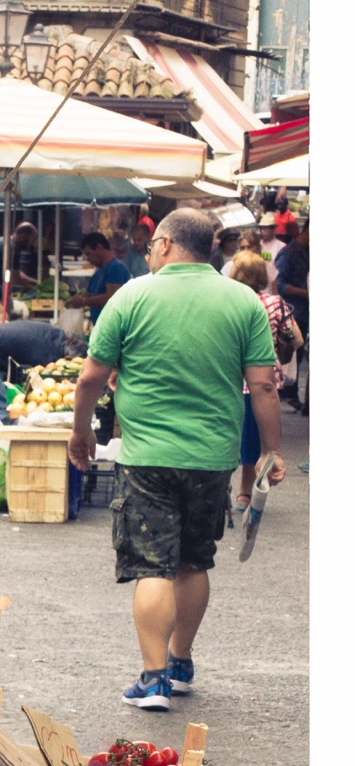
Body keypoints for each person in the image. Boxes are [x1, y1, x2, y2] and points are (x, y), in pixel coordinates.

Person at [68, 209, 281, 710]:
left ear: (163, 244)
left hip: (147, 457)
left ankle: (154, 678)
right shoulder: (243, 301)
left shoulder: (133, 295)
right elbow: (264, 384)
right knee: (193, 561)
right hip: (212, 458)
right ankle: (181, 662)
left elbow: (90, 379)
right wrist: (272, 451)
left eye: (149, 247)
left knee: (152, 567)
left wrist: (81, 433)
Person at [225, 251, 303, 510]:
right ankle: (247, 490)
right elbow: (298, 340)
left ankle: (234, 491)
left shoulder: (228, 301)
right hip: (267, 376)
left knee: (231, 436)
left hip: (230, 378)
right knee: (254, 437)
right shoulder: (275, 303)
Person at [271, 217, 308, 413]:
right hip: (294, 311)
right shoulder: (289, 253)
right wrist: (305, 293)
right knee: (293, 353)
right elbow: (281, 284)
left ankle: (293, 394)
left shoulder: (306, 252)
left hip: (304, 312)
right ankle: (288, 392)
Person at [66, 232, 131, 323]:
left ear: (99, 248)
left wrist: (84, 301)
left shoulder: (116, 269)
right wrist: (74, 302)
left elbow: (112, 298)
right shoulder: (98, 273)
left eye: (89, 254)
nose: (88, 259)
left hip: (113, 330)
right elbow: (86, 295)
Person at [0, 222, 40, 302]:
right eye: (32, 240)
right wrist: (35, 290)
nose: (32, 244)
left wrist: (37, 282)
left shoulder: (5, 242)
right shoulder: (11, 248)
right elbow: (15, 281)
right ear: (24, 236)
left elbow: (17, 273)